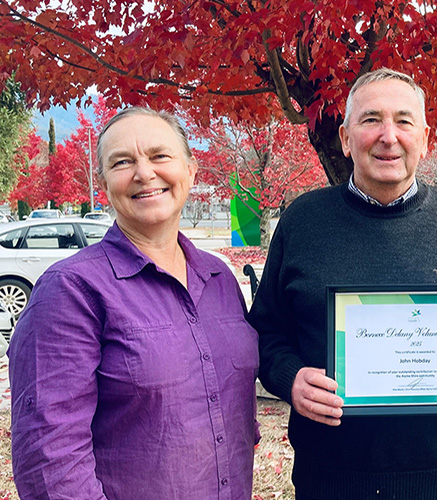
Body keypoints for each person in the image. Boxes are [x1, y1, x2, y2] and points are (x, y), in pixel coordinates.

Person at [248, 68, 437, 500]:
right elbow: (264, 331)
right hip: (328, 481)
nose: (388, 135)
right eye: (371, 119)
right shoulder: (303, 222)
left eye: (404, 121)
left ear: (425, 138)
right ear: (345, 137)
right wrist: (290, 377)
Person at [10, 108, 259, 499]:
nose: (144, 173)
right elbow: (50, 459)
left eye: (160, 156)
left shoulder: (220, 279)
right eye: (122, 162)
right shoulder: (71, 291)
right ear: (105, 185)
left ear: (191, 171)